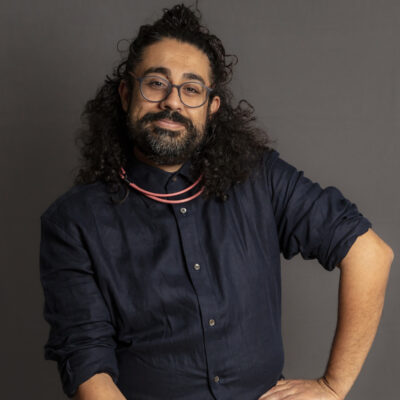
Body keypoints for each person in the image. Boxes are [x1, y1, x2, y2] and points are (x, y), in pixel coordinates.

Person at [39, 4, 394, 400]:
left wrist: (333, 386)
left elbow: (369, 254)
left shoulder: (262, 177)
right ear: (126, 94)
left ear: (211, 109)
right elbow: (89, 366)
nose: (173, 102)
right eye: (156, 83)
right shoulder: (73, 221)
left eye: (192, 89)